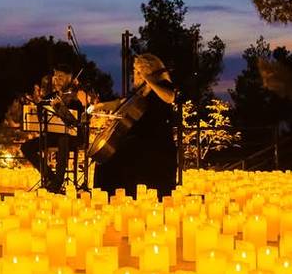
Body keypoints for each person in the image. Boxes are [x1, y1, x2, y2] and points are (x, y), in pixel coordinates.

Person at [90, 53, 177, 200]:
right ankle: (109, 198)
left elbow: (170, 98)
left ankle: (120, 196)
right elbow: (120, 103)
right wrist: (99, 106)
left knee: (115, 157)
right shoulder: (137, 92)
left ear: (149, 71)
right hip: (137, 139)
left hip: (155, 141)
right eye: (135, 72)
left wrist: (149, 80)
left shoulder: (163, 86)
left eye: (139, 72)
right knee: (106, 158)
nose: (135, 76)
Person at [21, 64, 88, 193]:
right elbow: (41, 115)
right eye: (55, 77)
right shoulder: (51, 97)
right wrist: (40, 107)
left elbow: (79, 120)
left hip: (73, 137)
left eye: (61, 77)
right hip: (53, 136)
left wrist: (68, 105)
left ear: (69, 78)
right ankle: (51, 177)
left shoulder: (76, 97)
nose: (57, 81)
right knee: (26, 147)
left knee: (63, 139)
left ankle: (56, 185)